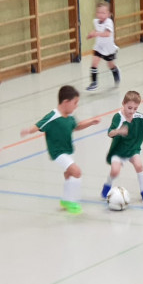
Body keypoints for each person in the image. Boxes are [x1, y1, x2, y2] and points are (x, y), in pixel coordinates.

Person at [20, 85, 100, 213]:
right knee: (76, 172)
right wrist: (28, 130)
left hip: (67, 151)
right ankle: (72, 202)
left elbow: (77, 126)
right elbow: (39, 124)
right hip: (57, 152)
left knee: (68, 174)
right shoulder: (53, 116)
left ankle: (65, 200)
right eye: (75, 103)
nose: (76, 106)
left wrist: (91, 122)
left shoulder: (70, 116)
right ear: (65, 102)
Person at [86, 1, 120, 91]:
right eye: (98, 12)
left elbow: (107, 34)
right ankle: (94, 82)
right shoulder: (96, 21)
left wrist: (96, 33)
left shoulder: (109, 22)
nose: (100, 15)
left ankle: (115, 71)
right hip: (99, 46)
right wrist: (91, 34)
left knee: (110, 64)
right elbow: (96, 30)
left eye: (103, 13)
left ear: (108, 14)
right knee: (94, 63)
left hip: (108, 48)